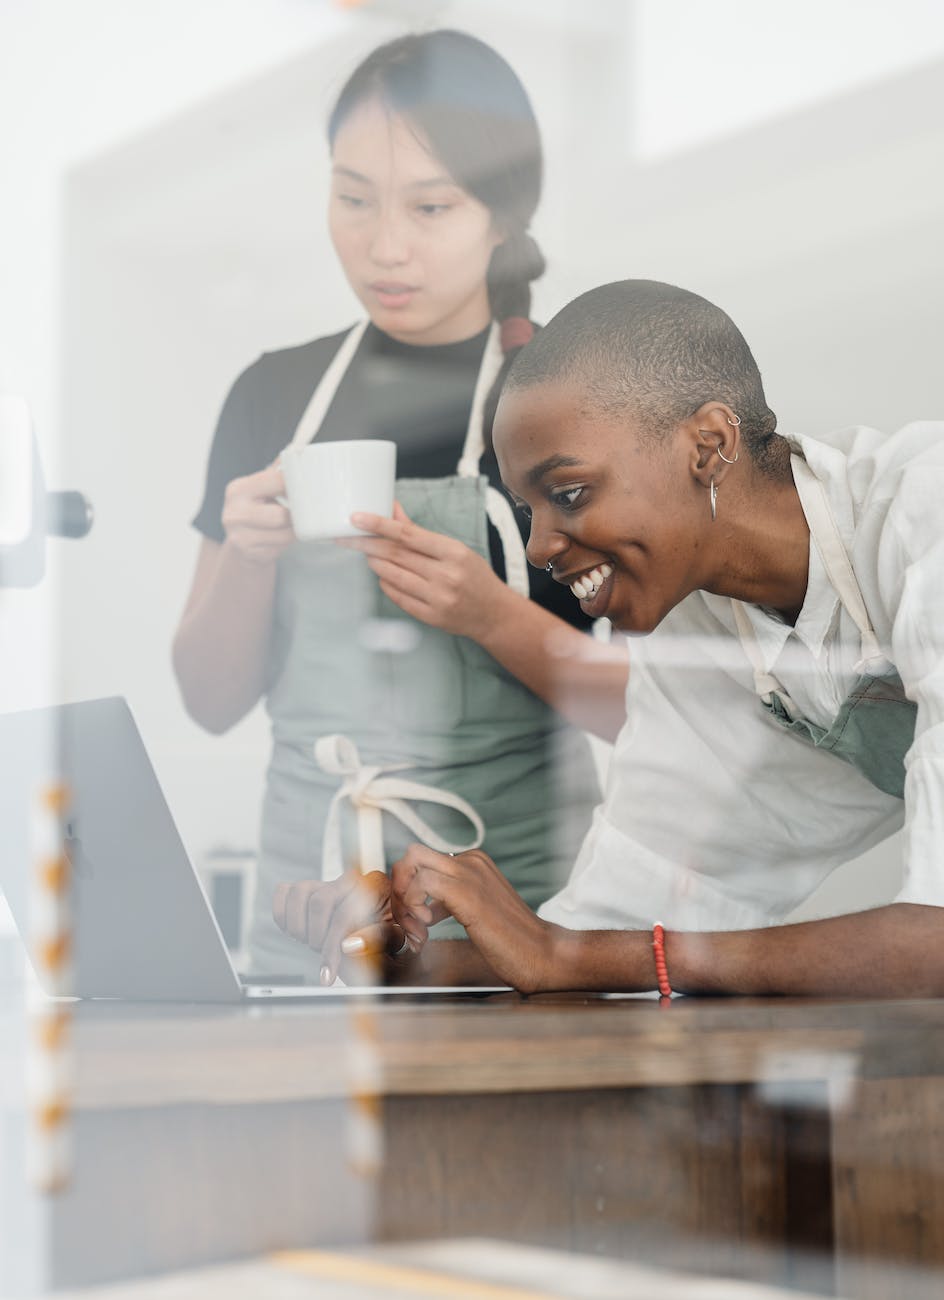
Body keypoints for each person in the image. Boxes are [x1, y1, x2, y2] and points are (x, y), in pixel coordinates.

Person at [284, 278, 944, 998]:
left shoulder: (925, 521)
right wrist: (417, 957)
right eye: (527, 510)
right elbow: (617, 919)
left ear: (710, 447)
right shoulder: (704, 632)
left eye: (567, 494)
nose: (538, 548)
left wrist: (569, 957)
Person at [173, 31, 627, 979]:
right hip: (306, 927)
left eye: (430, 206)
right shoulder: (271, 395)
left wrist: (490, 616)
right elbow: (209, 700)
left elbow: (655, 717)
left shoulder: (579, 402)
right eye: (352, 199)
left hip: (520, 932)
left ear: (503, 213)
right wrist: (250, 559)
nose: (385, 246)